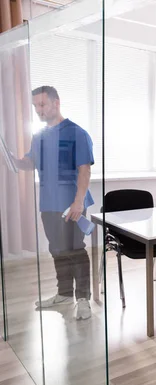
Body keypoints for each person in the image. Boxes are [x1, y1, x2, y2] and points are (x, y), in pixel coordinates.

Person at [12, 86, 94, 320]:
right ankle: (65, 294)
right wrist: (11, 160)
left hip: (72, 203)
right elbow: (29, 163)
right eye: (35, 106)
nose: (38, 110)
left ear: (56, 103)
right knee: (57, 250)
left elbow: (84, 170)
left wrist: (79, 202)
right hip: (48, 203)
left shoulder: (77, 133)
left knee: (75, 250)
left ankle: (83, 300)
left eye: (42, 104)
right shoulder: (38, 136)